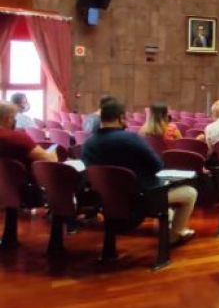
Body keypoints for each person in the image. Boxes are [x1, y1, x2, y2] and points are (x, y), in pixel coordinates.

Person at [82, 99, 197, 244]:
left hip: (106, 201)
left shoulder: (88, 144)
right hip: (140, 200)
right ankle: (175, 235)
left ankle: (171, 222)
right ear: (120, 117)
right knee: (190, 193)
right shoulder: (131, 139)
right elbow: (157, 166)